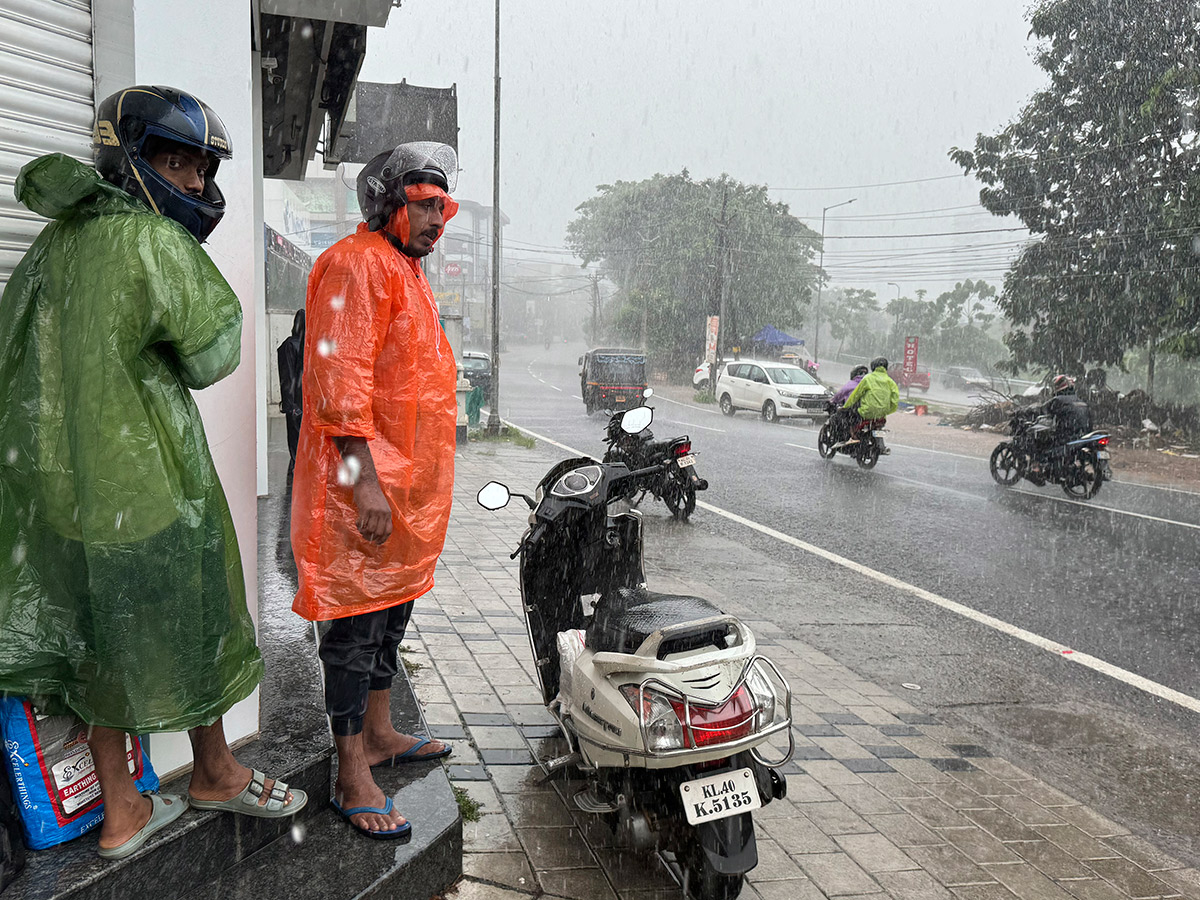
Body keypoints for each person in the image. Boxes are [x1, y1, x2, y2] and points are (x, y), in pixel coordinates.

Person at [0, 85, 305, 860]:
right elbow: (213, 353)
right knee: (196, 617)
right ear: (128, 158)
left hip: (63, 499)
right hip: (145, 485)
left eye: (202, 168)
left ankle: (122, 811)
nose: (197, 184)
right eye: (179, 163)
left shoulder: (49, 246)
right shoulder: (149, 241)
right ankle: (216, 768)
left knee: (100, 643)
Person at [291, 142, 460, 841]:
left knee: (392, 617)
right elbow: (340, 385)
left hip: (408, 490)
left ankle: (384, 732)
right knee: (355, 633)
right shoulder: (356, 265)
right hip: (362, 487)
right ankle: (350, 768)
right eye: (424, 205)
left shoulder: (405, 272)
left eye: (441, 208)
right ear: (388, 203)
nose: (436, 221)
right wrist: (362, 485)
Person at [1029, 374, 1091, 469]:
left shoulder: (1057, 400)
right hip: (1083, 434)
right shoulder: (1081, 401)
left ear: (1058, 387)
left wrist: (1025, 411)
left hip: (1066, 435)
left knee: (1038, 437)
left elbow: (1040, 410)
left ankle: (1038, 465)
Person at [840, 356, 900, 453]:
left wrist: (846, 406)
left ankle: (853, 437)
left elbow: (856, 395)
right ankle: (881, 446)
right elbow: (895, 400)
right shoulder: (891, 382)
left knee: (850, 418)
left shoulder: (868, 378)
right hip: (881, 414)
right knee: (879, 428)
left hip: (866, 412)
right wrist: (887, 411)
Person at [277, 309, 306, 478]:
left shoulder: (290, 345)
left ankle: (297, 466)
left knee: (296, 437)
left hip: (296, 402)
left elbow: (287, 376)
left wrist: (289, 404)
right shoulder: (298, 346)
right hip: (300, 401)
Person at [828, 365, 869, 443]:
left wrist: (832, 401)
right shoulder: (869, 383)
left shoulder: (851, 384)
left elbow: (839, 394)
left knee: (837, 418)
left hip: (853, 409)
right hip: (867, 410)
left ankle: (843, 438)